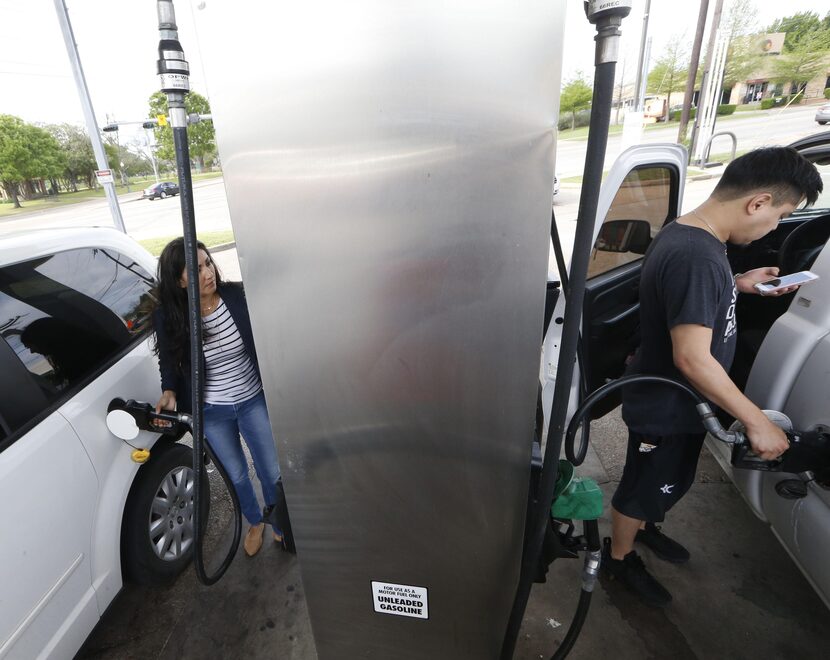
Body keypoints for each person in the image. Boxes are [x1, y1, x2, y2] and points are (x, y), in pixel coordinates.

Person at [602, 147, 823, 607]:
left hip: (680, 401)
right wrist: (757, 421)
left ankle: (644, 529)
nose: (776, 227)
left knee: (664, 481)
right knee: (643, 486)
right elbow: (693, 359)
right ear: (757, 202)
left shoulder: (694, 236)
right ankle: (618, 560)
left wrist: (737, 283)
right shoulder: (697, 257)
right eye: (781, 214)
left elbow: (686, 299)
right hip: (667, 403)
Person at [152, 237, 282, 557]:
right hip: (212, 411)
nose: (208, 273)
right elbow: (168, 360)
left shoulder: (237, 296)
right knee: (236, 474)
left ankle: (279, 520)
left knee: (271, 469)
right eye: (196, 270)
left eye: (208, 263)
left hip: (252, 399)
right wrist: (168, 391)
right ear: (179, 280)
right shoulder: (172, 316)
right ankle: (255, 522)